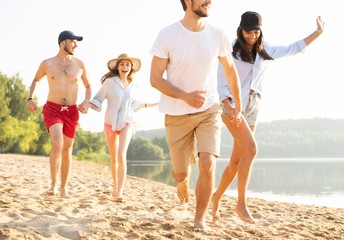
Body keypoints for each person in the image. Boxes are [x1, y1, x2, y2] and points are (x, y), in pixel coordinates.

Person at [212, 12, 325, 224]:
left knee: (237, 160)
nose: (252, 35)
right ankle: (241, 204)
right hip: (231, 105)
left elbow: (294, 47)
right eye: (249, 31)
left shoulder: (265, 50)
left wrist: (317, 33)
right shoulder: (230, 50)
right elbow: (220, 80)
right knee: (252, 149)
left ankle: (216, 197)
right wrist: (228, 105)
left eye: (256, 31)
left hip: (253, 106)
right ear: (241, 30)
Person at [150, 0, 243, 230]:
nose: (209, 1)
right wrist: (185, 96)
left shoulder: (218, 34)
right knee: (181, 173)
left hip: (209, 109)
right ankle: (182, 182)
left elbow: (230, 71)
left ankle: (199, 219)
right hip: (176, 113)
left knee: (207, 162)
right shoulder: (168, 35)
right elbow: (155, 78)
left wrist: (238, 104)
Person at [27, 30, 92, 197]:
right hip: (53, 108)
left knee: (67, 150)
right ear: (63, 43)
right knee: (57, 142)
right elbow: (35, 80)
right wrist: (30, 98)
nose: (76, 45)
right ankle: (53, 185)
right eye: (73, 42)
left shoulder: (80, 64)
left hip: (71, 111)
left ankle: (64, 187)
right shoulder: (47, 64)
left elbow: (88, 87)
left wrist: (86, 102)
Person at [89, 53, 157, 203]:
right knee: (113, 158)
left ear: (131, 67)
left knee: (121, 155)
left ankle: (119, 192)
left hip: (127, 121)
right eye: (122, 64)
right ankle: (115, 186)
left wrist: (152, 104)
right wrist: (88, 104)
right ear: (117, 67)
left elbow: (133, 104)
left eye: (127, 64)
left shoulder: (134, 85)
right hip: (111, 122)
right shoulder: (110, 82)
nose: (125, 67)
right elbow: (98, 98)